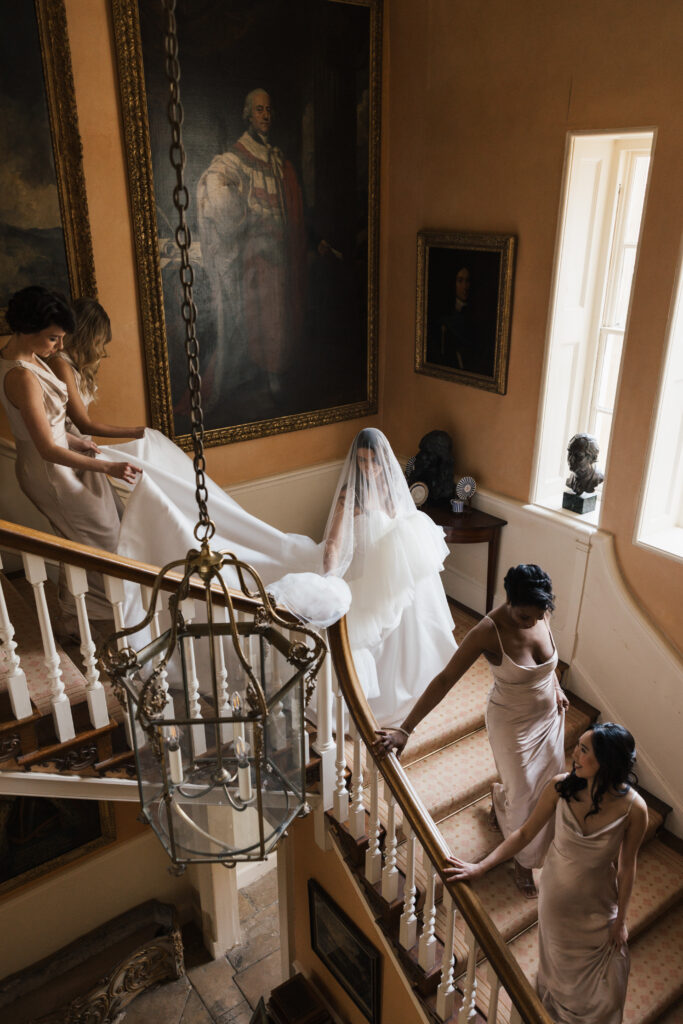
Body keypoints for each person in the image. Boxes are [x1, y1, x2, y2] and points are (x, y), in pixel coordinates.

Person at [375, 564, 568, 896]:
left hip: (550, 718)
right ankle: (523, 862)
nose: (532, 622)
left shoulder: (541, 612)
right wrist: (405, 729)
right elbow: (445, 679)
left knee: (546, 788)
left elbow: (546, 667)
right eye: (525, 617)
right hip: (511, 723)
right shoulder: (487, 631)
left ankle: (501, 802)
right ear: (510, 601)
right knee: (525, 792)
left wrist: (557, 688)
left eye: (538, 616)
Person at [446, 723, 648, 1024]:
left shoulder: (635, 809)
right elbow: (524, 833)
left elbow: (628, 866)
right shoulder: (560, 787)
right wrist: (481, 866)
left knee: (609, 980)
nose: (574, 754)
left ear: (605, 761)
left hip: (599, 903)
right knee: (558, 969)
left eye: (583, 749)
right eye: (577, 746)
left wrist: (621, 921)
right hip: (556, 897)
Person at [0, 287, 141, 628]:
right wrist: (108, 465)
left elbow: (55, 428)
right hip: (51, 472)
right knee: (103, 545)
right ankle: (98, 622)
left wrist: (81, 445)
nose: (60, 348)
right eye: (53, 338)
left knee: (89, 541)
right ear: (27, 329)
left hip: (61, 461)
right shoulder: (20, 375)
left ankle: (77, 618)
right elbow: (47, 447)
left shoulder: (33, 358)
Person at [323, 428, 457, 726]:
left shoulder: (392, 488)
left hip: (391, 570)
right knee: (364, 632)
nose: (367, 468)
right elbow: (334, 542)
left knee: (414, 606)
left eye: (373, 462)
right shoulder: (350, 493)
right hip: (362, 571)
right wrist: (330, 577)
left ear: (383, 462)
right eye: (361, 461)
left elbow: (401, 523)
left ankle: (417, 685)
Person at [197, 87, 307, 403]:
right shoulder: (237, 157)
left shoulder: (274, 156)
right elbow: (213, 185)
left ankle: (275, 375)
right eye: (259, 109)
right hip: (257, 256)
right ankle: (266, 377)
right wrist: (248, 214)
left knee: (281, 318)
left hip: (281, 254)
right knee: (263, 317)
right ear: (248, 114)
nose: (265, 115)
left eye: (269, 109)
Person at [49, 298, 145, 443]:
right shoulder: (59, 364)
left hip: (83, 445)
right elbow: (84, 425)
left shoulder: (73, 364)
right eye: (98, 341)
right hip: (69, 450)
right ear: (86, 335)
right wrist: (137, 431)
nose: (100, 348)